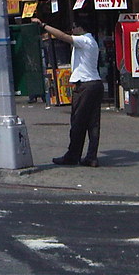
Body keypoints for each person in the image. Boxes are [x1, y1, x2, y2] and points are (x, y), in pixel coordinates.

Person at [31, 16, 103, 167]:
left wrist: (44, 25)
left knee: (77, 122)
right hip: (95, 84)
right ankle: (91, 156)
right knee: (93, 123)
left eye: (74, 27)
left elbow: (63, 37)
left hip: (85, 86)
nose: (72, 30)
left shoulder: (83, 41)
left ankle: (72, 155)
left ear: (81, 28)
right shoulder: (92, 41)